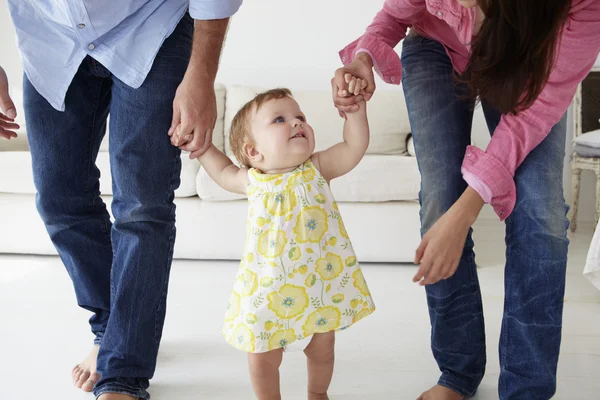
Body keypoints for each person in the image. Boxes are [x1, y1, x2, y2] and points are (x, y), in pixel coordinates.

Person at [331, 0, 600, 399]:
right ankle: (457, 372)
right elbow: (394, 14)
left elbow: (528, 120)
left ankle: (527, 389)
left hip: (528, 59)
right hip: (433, 49)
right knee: (440, 200)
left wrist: (468, 210)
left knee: (540, 213)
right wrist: (365, 57)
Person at [0, 1, 242, 399]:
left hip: (152, 24)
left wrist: (201, 74)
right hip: (50, 37)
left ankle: (123, 372)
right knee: (59, 198)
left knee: (142, 205)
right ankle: (115, 329)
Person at [174, 87, 375, 400]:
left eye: (300, 117)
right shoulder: (252, 181)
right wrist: (201, 146)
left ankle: (318, 393)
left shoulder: (318, 169)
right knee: (261, 355)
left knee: (323, 350)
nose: (297, 123)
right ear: (253, 152)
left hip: (319, 285)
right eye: (280, 119)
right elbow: (224, 170)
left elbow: (354, 145)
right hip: (267, 286)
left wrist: (355, 113)